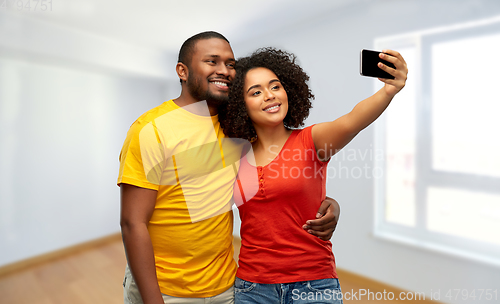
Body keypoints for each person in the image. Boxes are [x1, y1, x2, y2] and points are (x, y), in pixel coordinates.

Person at [117, 32, 340, 304]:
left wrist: (327, 203)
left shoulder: (236, 128)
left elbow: (278, 175)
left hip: (226, 286)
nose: (224, 70)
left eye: (230, 64)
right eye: (212, 61)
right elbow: (132, 223)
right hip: (165, 290)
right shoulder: (151, 129)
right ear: (182, 71)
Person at [219, 47, 408, 303]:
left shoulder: (312, 141)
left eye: (275, 87)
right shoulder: (235, 155)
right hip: (253, 288)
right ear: (241, 105)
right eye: (256, 92)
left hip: (313, 284)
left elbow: (353, 120)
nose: (269, 96)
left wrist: (389, 90)